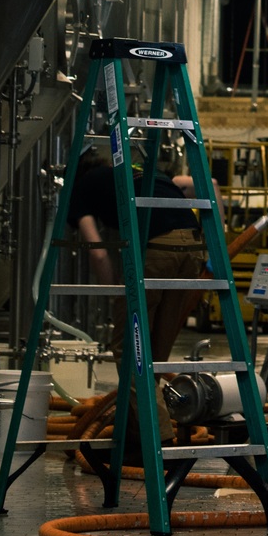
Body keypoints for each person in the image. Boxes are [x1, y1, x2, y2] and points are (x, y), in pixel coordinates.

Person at [66, 147, 213, 451]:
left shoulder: (81, 187)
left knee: (130, 350)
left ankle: (159, 441)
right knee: (156, 352)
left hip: (155, 249)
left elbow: (96, 249)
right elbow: (209, 187)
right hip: (192, 248)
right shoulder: (143, 173)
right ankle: (135, 433)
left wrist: (115, 295)